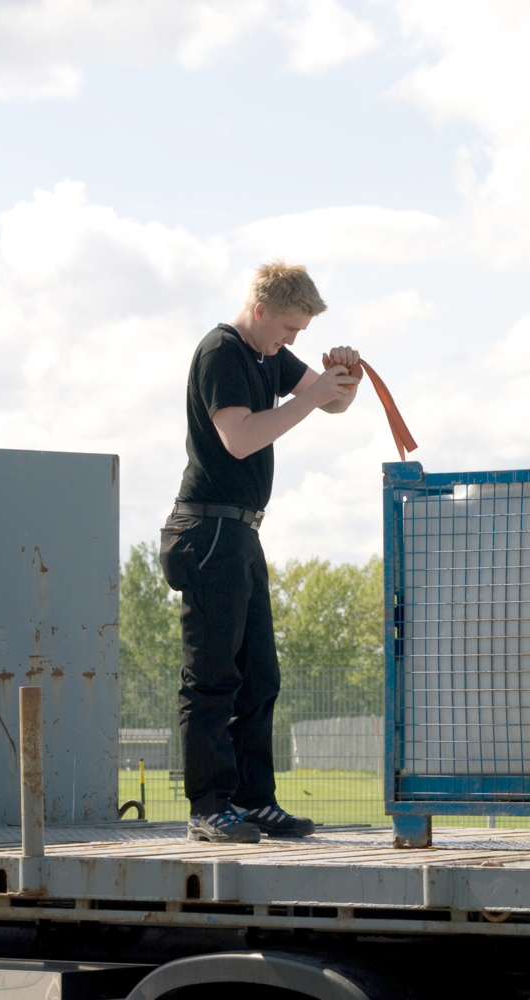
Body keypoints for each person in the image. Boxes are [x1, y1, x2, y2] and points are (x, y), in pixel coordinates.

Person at [158, 262, 360, 844]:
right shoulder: (221, 350)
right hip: (208, 528)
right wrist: (315, 394)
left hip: (242, 532)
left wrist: (342, 377)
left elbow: (331, 405)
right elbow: (240, 438)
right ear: (262, 308)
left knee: (260, 677)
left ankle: (253, 800)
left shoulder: (269, 355)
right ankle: (208, 805)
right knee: (213, 676)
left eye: (301, 333)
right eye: (291, 328)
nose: (294, 341)